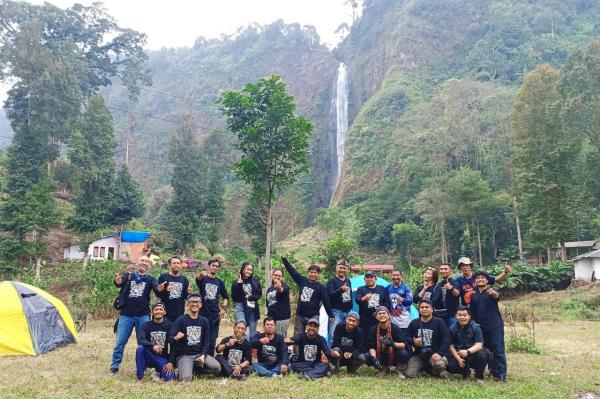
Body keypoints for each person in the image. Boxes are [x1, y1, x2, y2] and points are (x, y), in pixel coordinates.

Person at [111, 256, 163, 374]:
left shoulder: (150, 279)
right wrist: (117, 281)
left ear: (149, 265)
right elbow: (119, 282)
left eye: (146, 262)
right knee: (120, 342)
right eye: (142, 261)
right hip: (126, 315)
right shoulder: (128, 276)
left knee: (143, 343)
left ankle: (143, 365)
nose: (144, 263)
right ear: (137, 262)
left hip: (143, 316)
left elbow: (157, 289)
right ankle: (114, 366)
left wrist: (160, 288)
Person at [169, 294, 221, 381]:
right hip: (185, 355)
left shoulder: (204, 321)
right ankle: (185, 370)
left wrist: (203, 355)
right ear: (188, 304)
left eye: (197, 302)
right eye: (192, 302)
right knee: (186, 379)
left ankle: (195, 370)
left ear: (200, 305)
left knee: (217, 368)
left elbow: (206, 341)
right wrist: (175, 338)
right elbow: (170, 337)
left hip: (199, 354)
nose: (194, 304)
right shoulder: (181, 320)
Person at [281, 256, 333, 336]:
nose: (313, 274)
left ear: (318, 274)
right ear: (308, 273)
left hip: (313, 316)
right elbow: (292, 271)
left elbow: (326, 301)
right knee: (297, 337)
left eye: (315, 273)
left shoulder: (321, 287)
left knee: (312, 337)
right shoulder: (302, 281)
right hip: (300, 315)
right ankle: (297, 349)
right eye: (311, 272)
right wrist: (284, 260)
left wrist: (331, 315)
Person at [469, 271, 507, 382]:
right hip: (480, 328)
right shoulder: (473, 295)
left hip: (495, 325)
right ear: (475, 281)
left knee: (498, 350)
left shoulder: (491, 291)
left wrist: (495, 294)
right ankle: (492, 371)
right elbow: (472, 312)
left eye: (483, 278)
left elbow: (497, 296)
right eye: (478, 278)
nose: (480, 279)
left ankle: (501, 374)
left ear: (487, 280)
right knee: (486, 350)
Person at [405, 299, 451, 378]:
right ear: (419, 310)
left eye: (427, 307)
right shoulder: (414, 323)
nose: (424, 309)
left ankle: (433, 371)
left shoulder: (439, 322)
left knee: (440, 365)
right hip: (419, 354)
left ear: (432, 309)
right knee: (409, 374)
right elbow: (406, 337)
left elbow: (447, 339)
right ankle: (426, 370)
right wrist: (413, 341)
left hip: (435, 354)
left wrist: (440, 353)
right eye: (422, 307)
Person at [196, 258, 229, 355]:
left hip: (215, 314)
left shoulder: (220, 282)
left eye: (217, 266)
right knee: (201, 336)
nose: (215, 267)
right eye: (213, 265)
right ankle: (199, 358)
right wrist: (200, 275)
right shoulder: (203, 279)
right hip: (202, 313)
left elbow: (225, 297)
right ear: (209, 266)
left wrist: (223, 309)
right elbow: (198, 279)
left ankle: (209, 358)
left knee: (212, 338)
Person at [135, 302, 175, 381]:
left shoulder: (170, 325)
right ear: (151, 312)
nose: (158, 311)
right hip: (149, 356)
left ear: (164, 312)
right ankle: (140, 377)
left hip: (162, 357)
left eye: (161, 309)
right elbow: (141, 339)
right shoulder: (146, 325)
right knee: (140, 348)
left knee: (170, 379)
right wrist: (153, 346)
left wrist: (170, 362)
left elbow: (174, 345)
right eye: (156, 310)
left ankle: (158, 372)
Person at [447, 305, 488, 382]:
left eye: (465, 315)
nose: (462, 317)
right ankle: (465, 372)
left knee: (483, 354)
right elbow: (451, 346)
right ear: (456, 316)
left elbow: (479, 345)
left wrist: (467, 351)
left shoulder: (476, 327)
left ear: (469, 316)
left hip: (473, 354)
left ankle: (479, 376)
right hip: (460, 355)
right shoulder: (452, 328)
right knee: (451, 366)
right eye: (459, 315)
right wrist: (458, 359)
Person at [367, 306, 412, 377]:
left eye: (384, 313)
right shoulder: (373, 329)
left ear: (388, 315)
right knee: (368, 355)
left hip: (394, 354)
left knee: (403, 353)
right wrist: (374, 358)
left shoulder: (395, 328)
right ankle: (382, 368)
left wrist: (392, 343)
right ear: (376, 317)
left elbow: (404, 345)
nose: (382, 315)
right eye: (379, 313)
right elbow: (371, 346)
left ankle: (399, 369)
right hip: (381, 353)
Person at [231, 261, 262, 339]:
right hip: (241, 308)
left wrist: (251, 297)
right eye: (247, 269)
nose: (249, 271)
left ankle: (250, 350)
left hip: (253, 308)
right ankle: (244, 350)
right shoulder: (236, 282)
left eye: (251, 270)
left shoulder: (255, 281)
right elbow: (235, 298)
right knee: (245, 333)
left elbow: (259, 294)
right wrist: (239, 285)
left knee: (252, 335)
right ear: (243, 269)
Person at [326, 260, 353, 346]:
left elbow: (350, 295)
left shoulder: (348, 281)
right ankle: (330, 355)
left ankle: (341, 354)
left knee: (345, 334)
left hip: (348, 311)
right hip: (336, 311)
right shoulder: (332, 281)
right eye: (340, 267)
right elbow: (329, 295)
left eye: (344, 268)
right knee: (332, 334)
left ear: (347, 269)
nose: (342, 270)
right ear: (336, 268)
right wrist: (341, 290)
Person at [158, 256, 191, 322]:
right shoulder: (163, 277)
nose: (176, 265)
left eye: (178, 263)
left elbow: (185, 296)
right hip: (165, 314)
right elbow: (159, 295)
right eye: (174, 263)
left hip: (179, 314)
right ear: (170, 265)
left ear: (180, 265)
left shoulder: (184, 279)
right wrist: (165, 290)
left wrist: (189, 293)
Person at [433, 263, 460, 329]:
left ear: (451, 271)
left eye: (445, 269)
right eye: (441, 269)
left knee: (453, 334)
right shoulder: (439, 284)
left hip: (452, 315)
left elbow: (457, 293)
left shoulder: (454, 283)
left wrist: (451, 288)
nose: (443, 270)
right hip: (440, 315)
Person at [266, 269, 291, 337]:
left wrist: (279, 288)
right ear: (272, 275)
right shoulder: (270, 289)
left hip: (282, 318)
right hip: (271, 318)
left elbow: (283, 290)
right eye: (275, 275)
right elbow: (267, 304)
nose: (277, 277)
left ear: (282, 277)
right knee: (271, 338)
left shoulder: (285, 286)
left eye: (279, 275)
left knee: (281, 338)